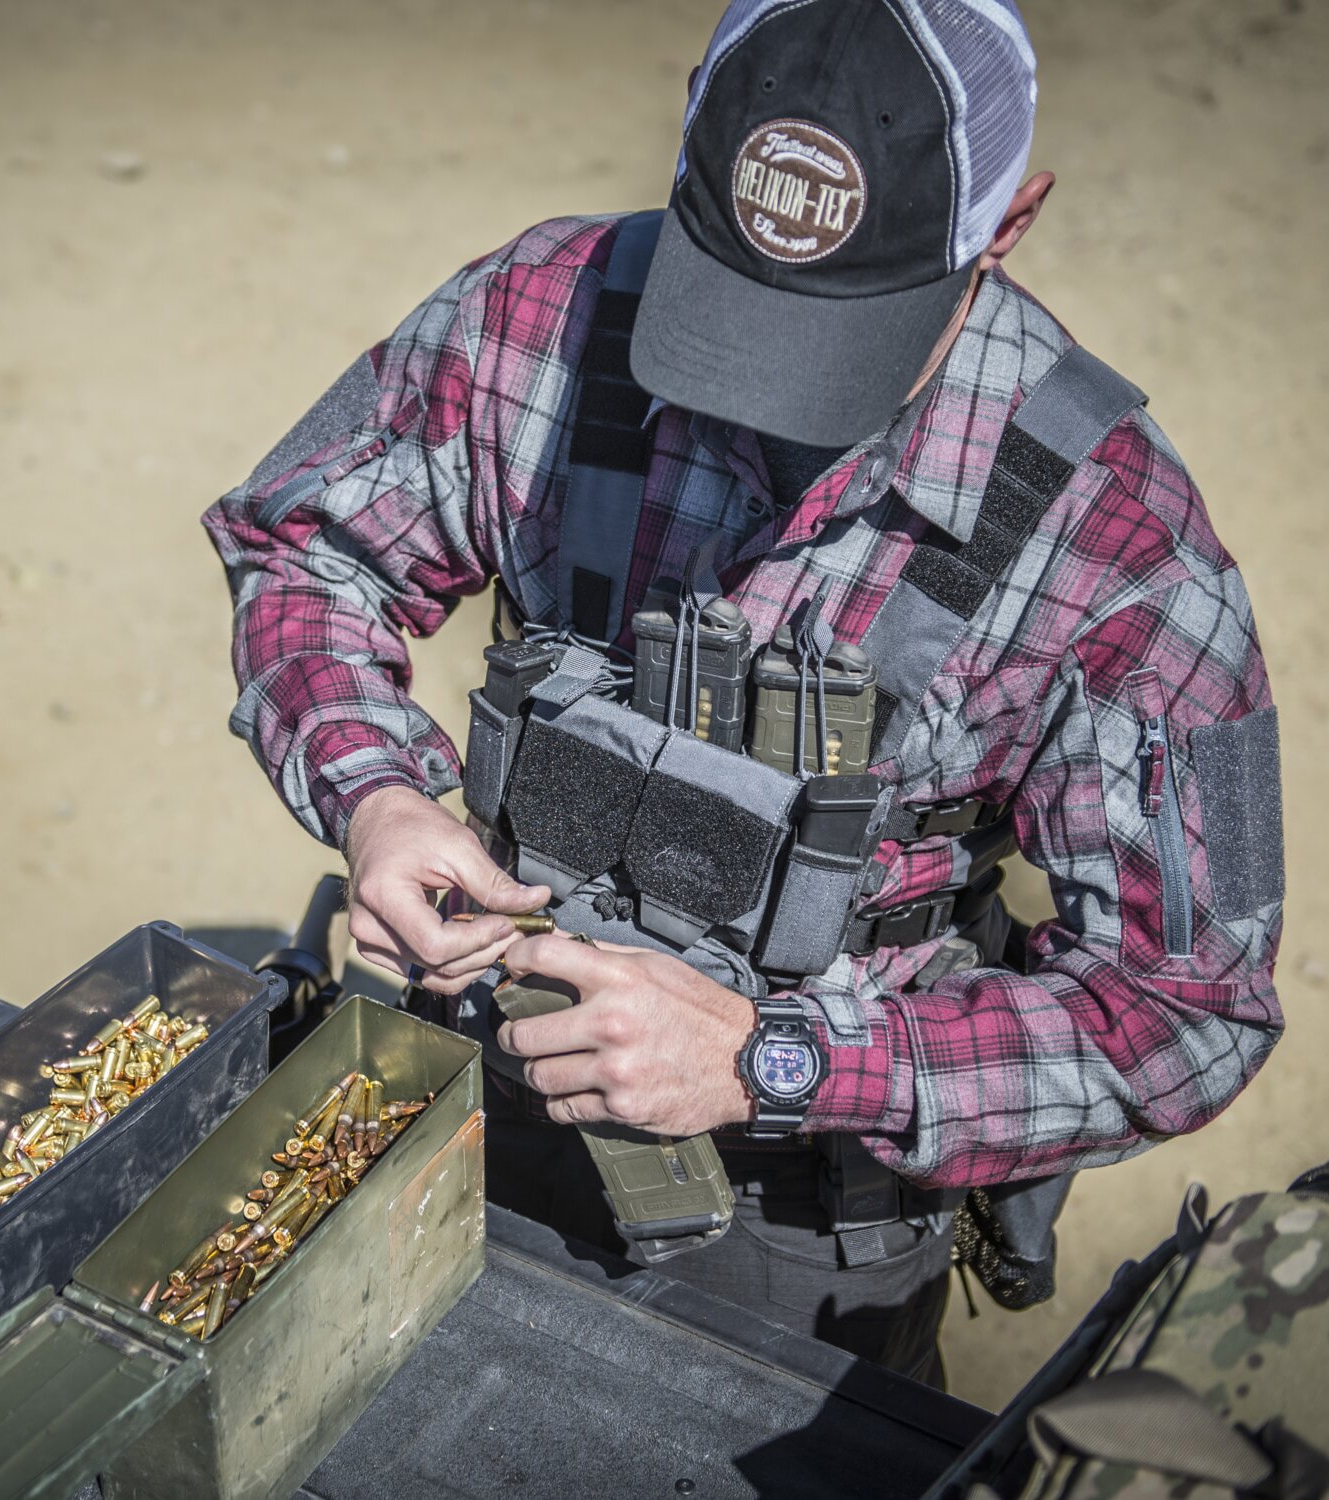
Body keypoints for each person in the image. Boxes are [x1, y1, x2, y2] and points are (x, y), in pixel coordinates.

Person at [203, 0, 1284, 1387]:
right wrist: (380, 802)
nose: (765, 400)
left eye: (836, 336)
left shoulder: (1119, 548)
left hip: (802, 1216)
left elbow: (1186, 1009)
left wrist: (780, 1061)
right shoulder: (543, 311)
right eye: (727, 308)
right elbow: (310, 544)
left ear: (1009, 228)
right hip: (464, 1068)